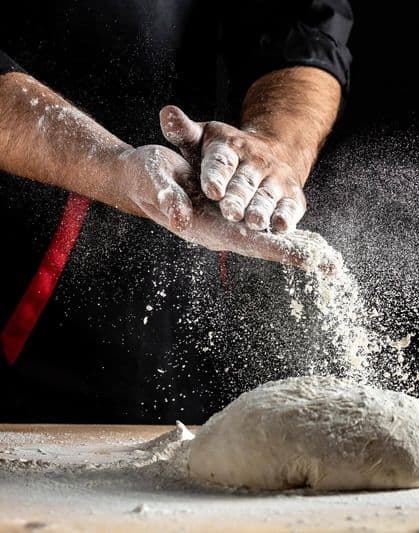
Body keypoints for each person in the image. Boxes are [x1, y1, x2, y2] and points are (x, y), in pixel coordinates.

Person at [0, 1, 353, 422]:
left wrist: (271, 148)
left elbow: (303, 29)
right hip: (27, 296)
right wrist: (112, 164)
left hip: (206, 252)